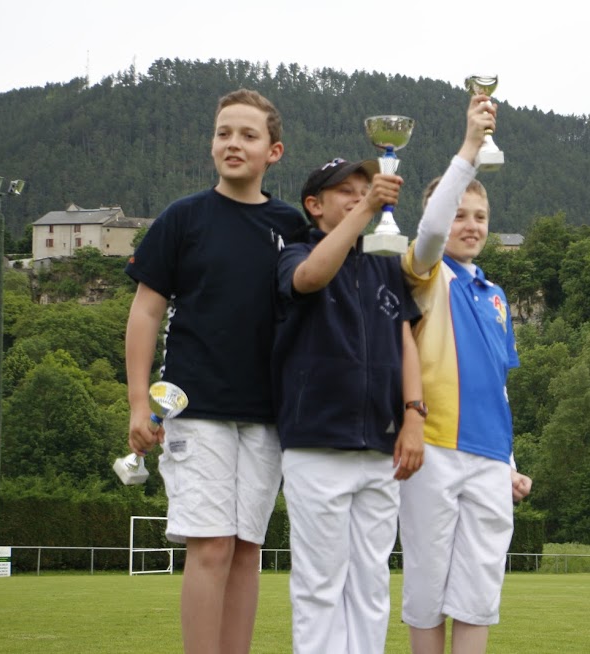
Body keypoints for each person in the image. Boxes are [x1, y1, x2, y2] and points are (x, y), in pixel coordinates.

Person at [124, 88, 307, 654]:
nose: (234, 143)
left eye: (248, 135)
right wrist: (136, 402)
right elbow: (146, 309)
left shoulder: (292, 226)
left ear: (273, 151)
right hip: (193, 407)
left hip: (267, 413)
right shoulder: (183, 218)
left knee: (247, 548)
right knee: (209, 547)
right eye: (224, 132)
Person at [271, 157, 425, 654]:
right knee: (319, 587)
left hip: (381, 450)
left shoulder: (384, 261)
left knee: (371, 587)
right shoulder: (296, 251)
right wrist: (369, 209)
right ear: (314, 206)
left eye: (367, 187)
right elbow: (311, 278)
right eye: (347, 191)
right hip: (317, 447)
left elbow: (406, 341)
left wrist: (414, 417)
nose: (360, 195)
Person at [399, 94, 533, 654]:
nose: (470, 225)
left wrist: (509, 462)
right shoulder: (425, 271)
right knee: (428, 589)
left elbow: (499, 384)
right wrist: (471, 149)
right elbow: (430, 231)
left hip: (487, 455)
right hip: (431, 446)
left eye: (479, 216)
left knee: (479, 593)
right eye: (459, 213)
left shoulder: (496, 295)